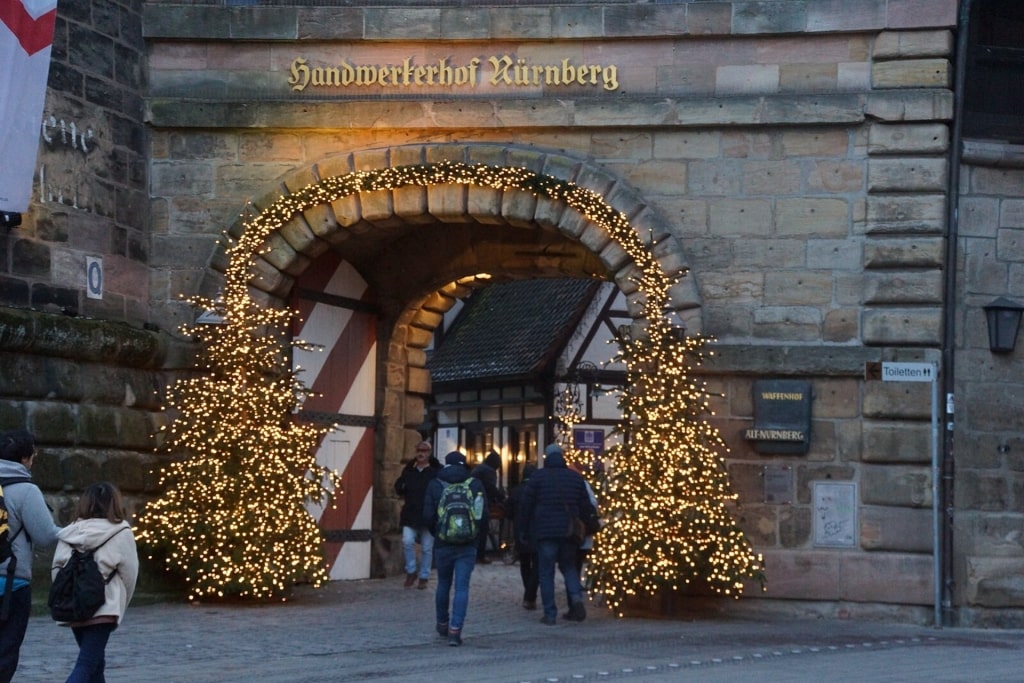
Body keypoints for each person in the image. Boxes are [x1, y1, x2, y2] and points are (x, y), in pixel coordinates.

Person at [52, 481, 138, 683]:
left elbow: (57, 569)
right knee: (87, 665)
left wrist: (67, 598)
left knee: (95, 664)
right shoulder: (121, 531)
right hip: (104, 608)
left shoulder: (70, 531)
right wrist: (119, 605)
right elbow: (129, 575)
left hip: (74, 607)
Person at [0, 430, 60, 683]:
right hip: (12, 584)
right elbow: (46, 536)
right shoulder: (25, 490)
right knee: (5, 651)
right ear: (25, 458)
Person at [518, 443, 597, 626]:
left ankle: (550, 613)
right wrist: (587, 527)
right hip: (569, 532)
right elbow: (586, 507)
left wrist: (523, 531)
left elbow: (526, 507)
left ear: (546, 458)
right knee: (569, 568)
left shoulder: (537, 478)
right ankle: (576, 599)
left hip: (545, 532)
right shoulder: (575, 479)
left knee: (546, 572)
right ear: (562, 457)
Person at [423, 451, 485, 646]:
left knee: (443, 584)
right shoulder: (474, 484)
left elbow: (427, 515)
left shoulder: (435, 483)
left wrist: (439, 533)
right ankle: (455, 630)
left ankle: (442, 623)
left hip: (443, 544)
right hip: (467, 544)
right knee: (462, 587)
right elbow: (482, 515)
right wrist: (474, 536)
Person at [394, 440, 440, 589]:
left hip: (428, 514)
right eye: (419, 450)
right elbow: (399, 488)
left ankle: (424, 576)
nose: (421, 453)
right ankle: (411, 571)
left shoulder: (434, 473)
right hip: (411, 513)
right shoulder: (409, 471)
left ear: (429, 453)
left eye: (424, 450)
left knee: (427, 547)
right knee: (407, 541)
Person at [505, 462, 538, 610]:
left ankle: (528, 593)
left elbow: (508, 513)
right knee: (537, 565)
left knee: (525, 564)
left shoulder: (515, 491)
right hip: (538, 532)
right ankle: (531, 595)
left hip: (521, 531)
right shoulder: (539, 491)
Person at [470, 449, 505, 564]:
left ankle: (473, 553)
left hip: (471, 500)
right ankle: (480, 555)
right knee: (483, 529)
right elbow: (490, 488)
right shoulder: (489, 471)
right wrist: (500, 497)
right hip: (481, 503)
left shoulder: (479, 469)